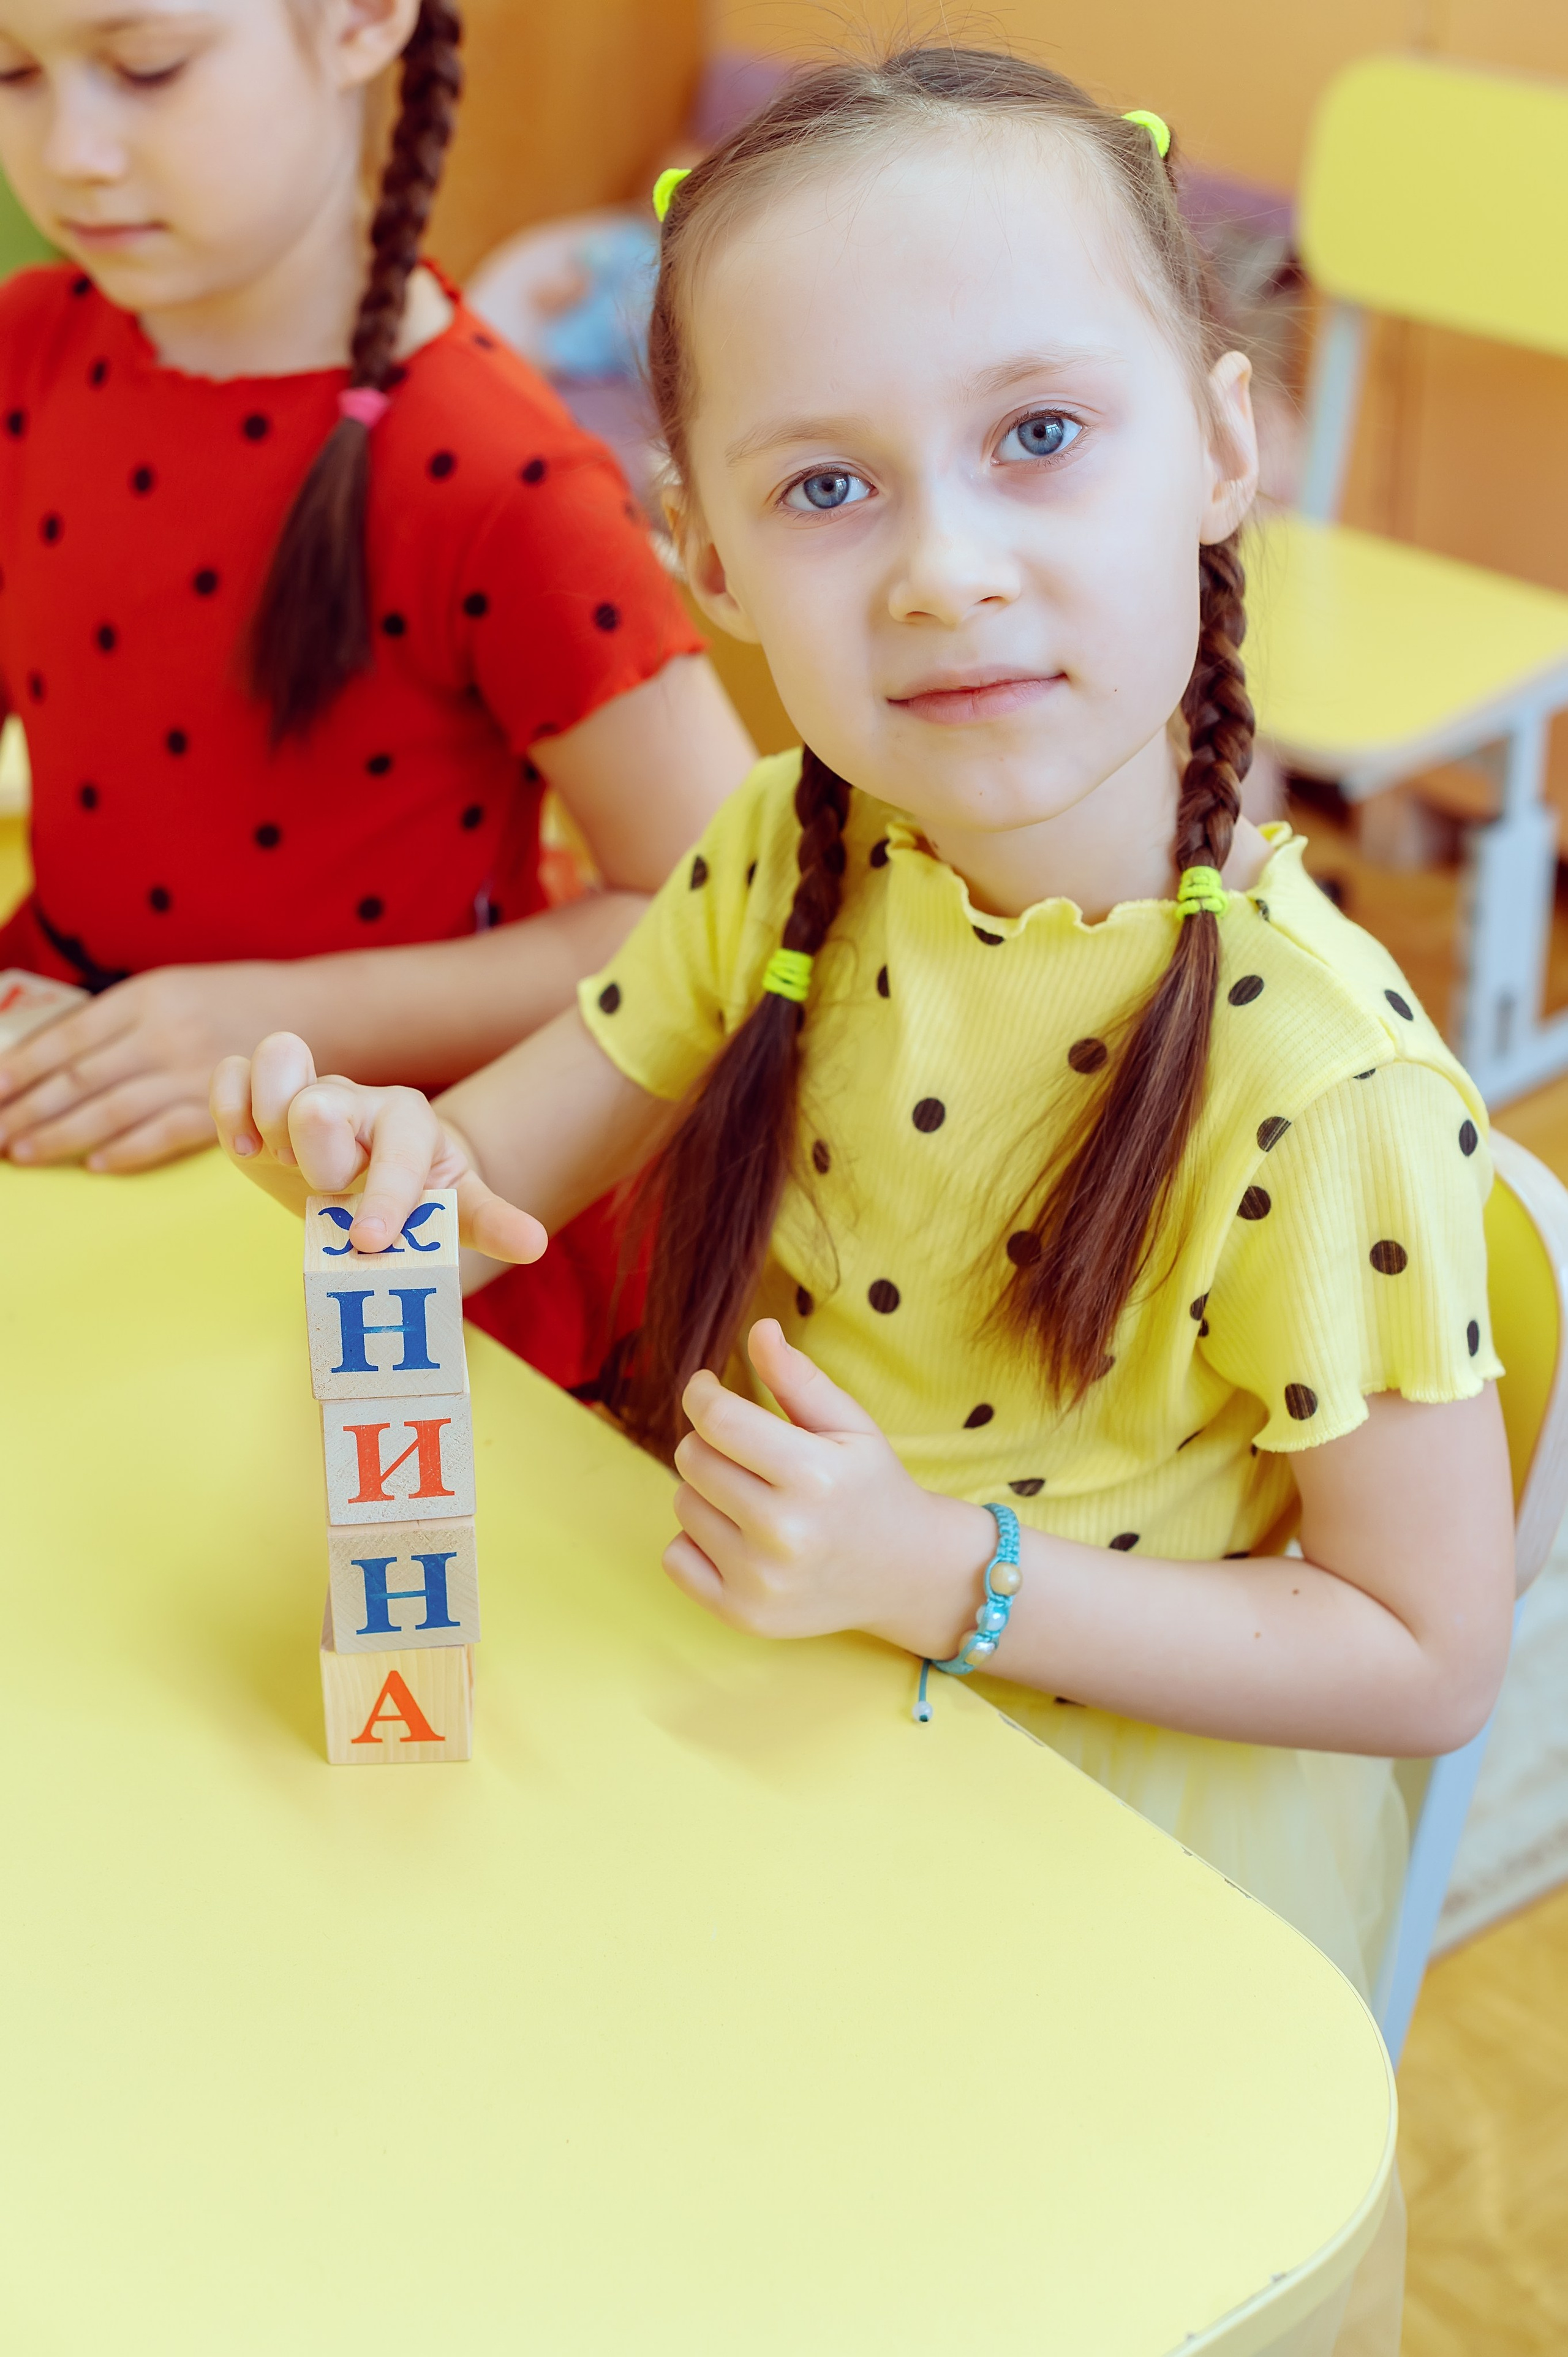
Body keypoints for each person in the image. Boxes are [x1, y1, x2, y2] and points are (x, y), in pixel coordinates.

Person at [211, 52, 1515, 2347]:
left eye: (1038, 436)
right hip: (786, 1692)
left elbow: (1427, 1656)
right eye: (827, 484)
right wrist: (394, 1164)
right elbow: (516, 1155)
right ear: (700, 552)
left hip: (1110, 1834)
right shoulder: (789, 850)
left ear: (1223, 450)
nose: (942, 567)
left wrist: (947, 1572)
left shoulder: (1328, 1091)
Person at [0, 0, 754, 1383]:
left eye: (145, 66)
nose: (73, 152)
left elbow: (714, 906)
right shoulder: (29, 348)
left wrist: (260, 1021)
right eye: (13, 75)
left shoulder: (501, 475)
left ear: (359, 23)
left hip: (377, 1186)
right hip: (73, 1088)